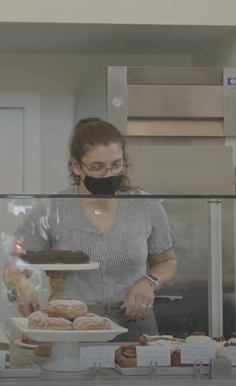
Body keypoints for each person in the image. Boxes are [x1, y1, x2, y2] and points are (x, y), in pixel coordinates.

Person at [16, 117, 178, 341]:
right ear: (76, 165)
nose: (109, 175)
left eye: (116, 165)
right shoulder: (52, 208)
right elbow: (16, 258)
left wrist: (148, 282)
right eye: (97, 167)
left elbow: (166, 262)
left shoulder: (146, 205)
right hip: (72, 328)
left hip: (135, 324)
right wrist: (24, 290)